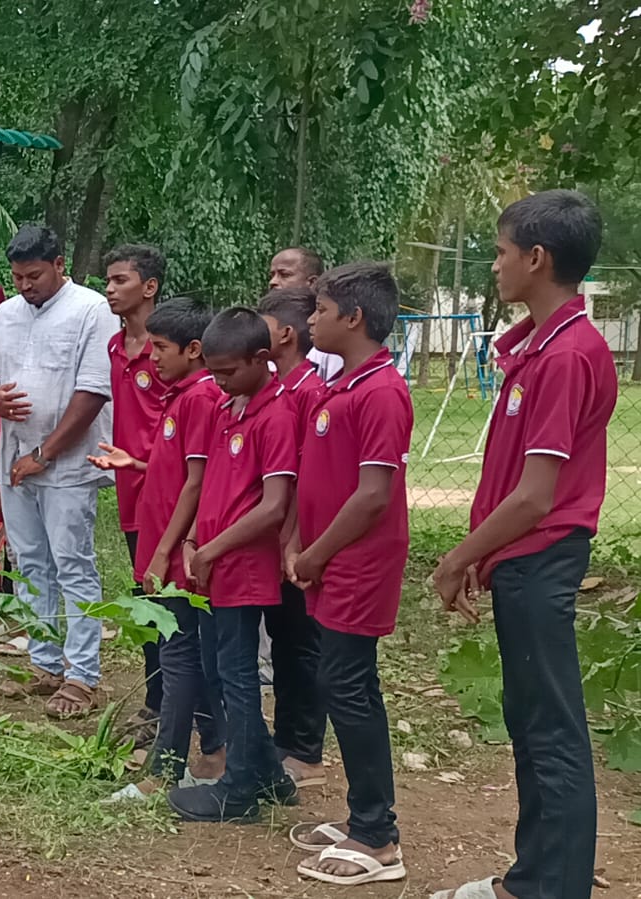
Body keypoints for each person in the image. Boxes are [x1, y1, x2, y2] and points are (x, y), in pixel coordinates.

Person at [430, 190, 614, 899]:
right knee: (529, 718)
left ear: (536, 258)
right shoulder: (537, 347)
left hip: (541, 556)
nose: (494, 263)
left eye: (501, 251)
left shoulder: (567, 354)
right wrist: (482, 551)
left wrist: (454, 556)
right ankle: (531, 877)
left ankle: (550, 886)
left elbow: (537, 494)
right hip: (519, 557)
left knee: (550, 728)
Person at [281, 263, 411, 887]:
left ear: (353, 318)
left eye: (321, 310)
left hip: (358, 564)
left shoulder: (382, 392)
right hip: (330, 561)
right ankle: (366, 815)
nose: (310, 320)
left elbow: (372, 497)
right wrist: (302, 540)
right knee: (346, 685)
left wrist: (314, 555)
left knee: (346, 687)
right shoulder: (341, 388)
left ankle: (377, 836)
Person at [0, 225, 114, 718]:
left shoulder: (91, 311)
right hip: (16, 460)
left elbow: (93, 391)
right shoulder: (5, 314)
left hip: (69, 465)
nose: (25, 285)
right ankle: (44, 661)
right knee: (30, 563)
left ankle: (81, 675)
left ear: (59, 265)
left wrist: (47, 453)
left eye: (34, 275)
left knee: (71, 564)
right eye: (17, 277)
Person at [167, 307, 298, 823]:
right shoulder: (229, 410)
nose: (218, 382)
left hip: (243, 567)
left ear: (261, 359)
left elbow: (273, 505)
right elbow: (213, 485)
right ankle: (269, 773)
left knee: (237, 675)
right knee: (222, 669)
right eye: (214, 373)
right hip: (213, 562)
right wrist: (194, 538)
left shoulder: (277, 415)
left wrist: (214, 547)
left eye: (227, 372)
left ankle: (240, 786)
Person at [93, 298, 227, 800]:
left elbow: (196, 484)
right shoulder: (182, 395)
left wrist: (162, 552)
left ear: (194, 350)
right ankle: (213, 751)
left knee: (176, 658)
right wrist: (139, 463)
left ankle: (164, 770)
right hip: (165, 546)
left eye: (162, 349)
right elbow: (177, 472)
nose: (152, 359)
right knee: (186, 655)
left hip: (175, 555)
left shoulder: (199, 398)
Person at [255, 285, 332, 791]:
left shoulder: (308, 391)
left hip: (297, 534)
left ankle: (304, 748)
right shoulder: (277, 388)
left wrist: (294, 538)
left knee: (302, 642)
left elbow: (306, 471)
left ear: (284, 333)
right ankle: (284, 739)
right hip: (275, 533)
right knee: (282, 641)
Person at [103, 243, 172, 732]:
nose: (110, 289)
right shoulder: (113, 345)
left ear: (149, 288)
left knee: (171, 596)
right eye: (108, 281)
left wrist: (151, 463)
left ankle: (174, 706)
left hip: (167, 487)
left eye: (121, 281)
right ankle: (156, 700)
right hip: (129, 488)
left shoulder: (169, 351)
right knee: (144, 592)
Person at [268, 246, 342, 381]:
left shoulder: (330, 336)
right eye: (272, 275)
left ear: (312, 282)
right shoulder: (266, 328)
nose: (273, 282)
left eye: (284, 275)